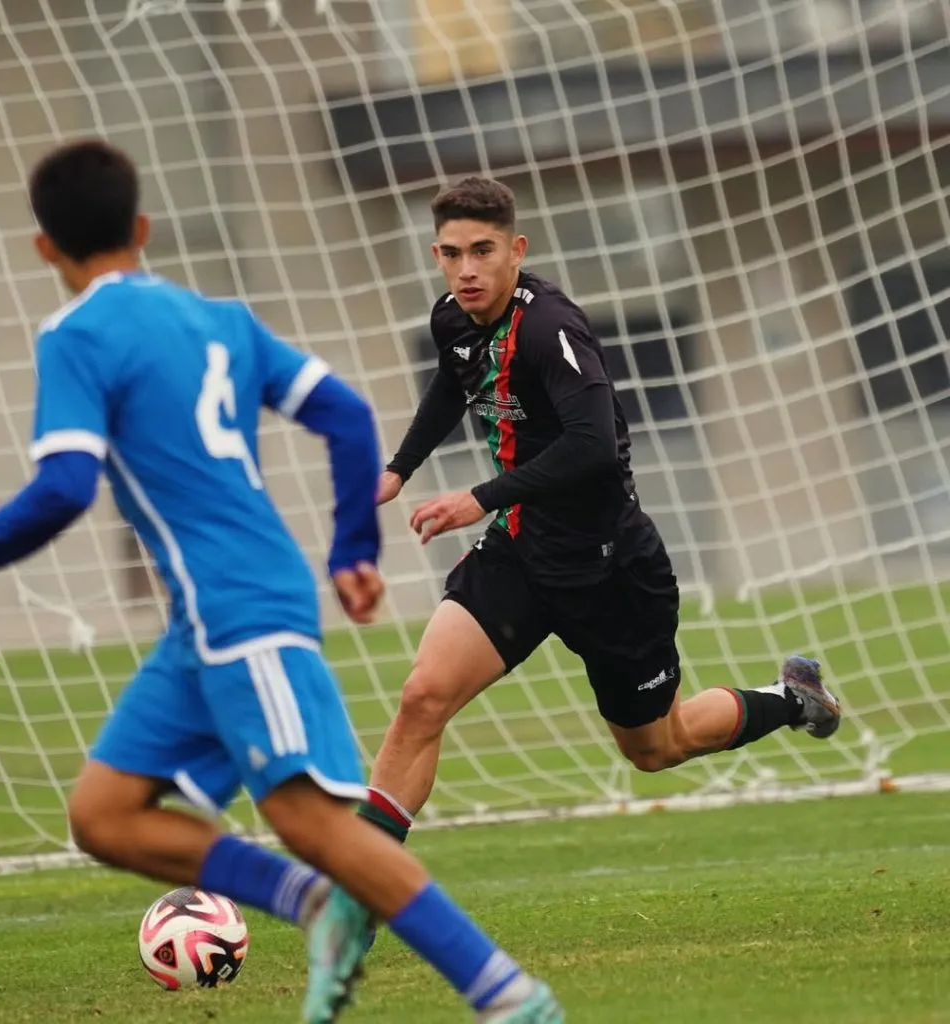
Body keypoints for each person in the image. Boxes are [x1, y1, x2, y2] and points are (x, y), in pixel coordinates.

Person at [0, 144, 563, 1024]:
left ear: (46, 249)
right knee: (104, 815)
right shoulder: (215, 317)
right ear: (142, 230)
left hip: (240, 606)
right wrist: (349, 551)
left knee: (317, 826)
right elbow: (342, 411)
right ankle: (314, 908)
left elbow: (65, 488)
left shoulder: (74, 336)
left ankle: (514, 1000)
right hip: (207, 617)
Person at [328, 174, 841, 904]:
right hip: (519, 553)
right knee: (422, 697)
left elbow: (594, 444)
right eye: (451, 253)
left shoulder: (550, 328)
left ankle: (791, 698)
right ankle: (361, 896)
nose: (466, 269)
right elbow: (453, 381)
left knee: (655, 747)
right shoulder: (454, 318)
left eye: (482, 251)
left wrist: (479, 496)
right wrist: (397, 470)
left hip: (610, 570)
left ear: (516, 250)